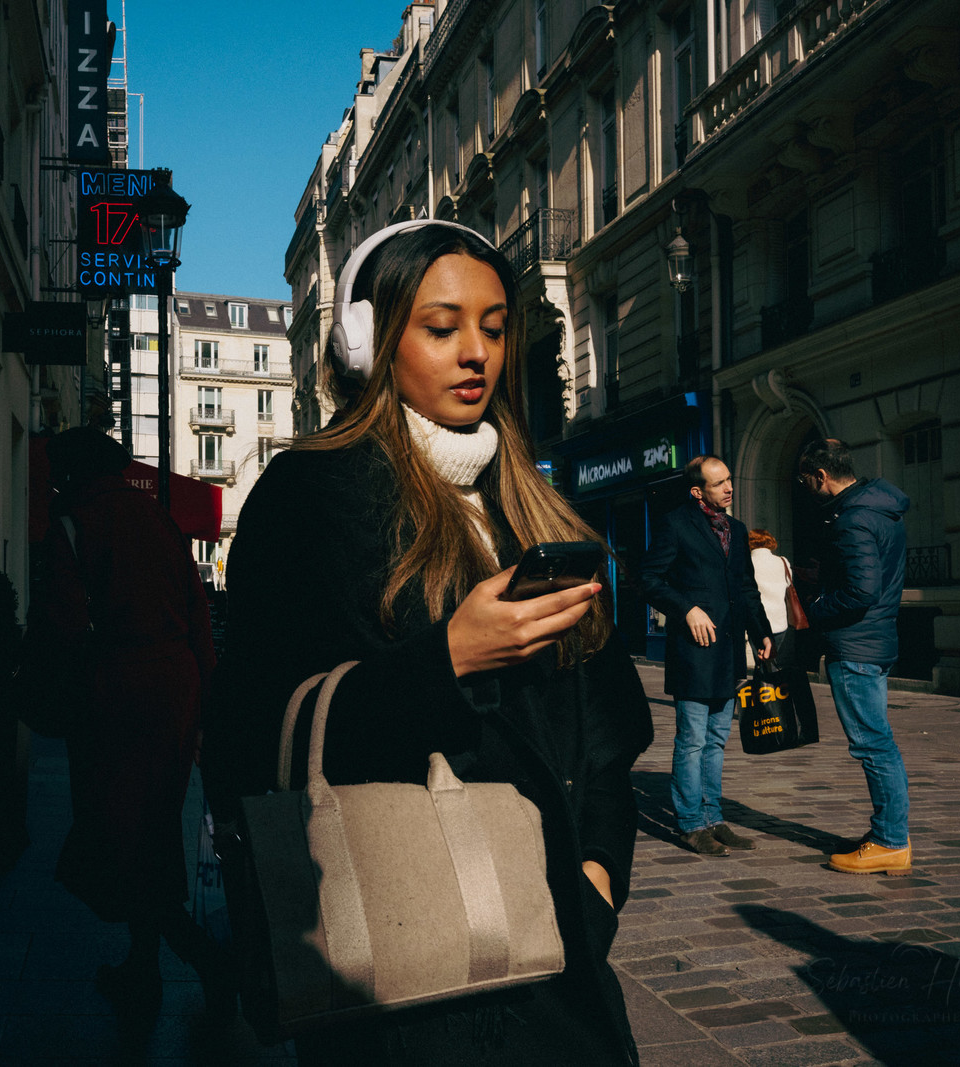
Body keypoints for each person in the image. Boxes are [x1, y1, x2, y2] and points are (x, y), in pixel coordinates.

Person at [203, 220, 652, 1064]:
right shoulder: (310, 495)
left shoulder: (532, 501)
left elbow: (610, 722)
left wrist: (599, 873)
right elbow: (253, 737)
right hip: (405, 960)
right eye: (442, 328)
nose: (475, 352)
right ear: (370, 342)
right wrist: (446, 661)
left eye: (492, 326)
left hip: (561, 947)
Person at [35, 427, 227, 1015]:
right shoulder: (161, 521)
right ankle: (146, 967)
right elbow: (197, 614)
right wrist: (206, 703)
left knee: (123, 834)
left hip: (114, 694)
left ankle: (204, 963)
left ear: (71, 473)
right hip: (175, 687)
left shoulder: (73, 523)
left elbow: (61, 628)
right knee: (155, 827)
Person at [639, 456, 773, 858]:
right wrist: (686, 609)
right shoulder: (676, 523)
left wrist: (761, 632)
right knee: (693, 741)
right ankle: (691, 824)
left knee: (716, 741)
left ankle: (714, 819)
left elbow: (746, 588)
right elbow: (647, 579)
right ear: (698, 491)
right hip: (694, 653)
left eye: (729, 479)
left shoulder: (735, 528)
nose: (729, 488)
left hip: (729, 651)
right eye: (719, 484)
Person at [796, 438, 913, 875]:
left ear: (821, 476)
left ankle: (889, 841)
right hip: (876, 641)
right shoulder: (880, 510)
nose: (806, 488)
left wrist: (814, 609)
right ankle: (888, 832)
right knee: (877, 743)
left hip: (855, 644)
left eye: (806, 480)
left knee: (873, 746)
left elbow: (862, 590)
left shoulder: (852, 519)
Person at [747, 528, 796, 668]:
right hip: (780, 621)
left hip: (757, 622)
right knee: (771, 662)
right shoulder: (782, 561)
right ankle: (772, 687)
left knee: (762, 663)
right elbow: (788, 583)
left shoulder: (747, 562)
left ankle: (766, 688)